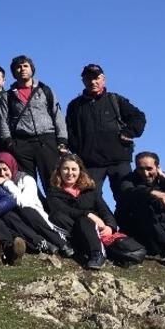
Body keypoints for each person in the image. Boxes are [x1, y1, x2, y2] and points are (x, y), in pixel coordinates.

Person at [65, 63, 147, 222]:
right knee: (88, 198)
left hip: (119, 159)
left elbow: (139, 117)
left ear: (103, 79)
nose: (93, 82)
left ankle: (128, 232)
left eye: (96, 78)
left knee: (126, 195)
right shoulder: (74, 106)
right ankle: (106, 230)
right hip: (91, 162)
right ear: (83, 81)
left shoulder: (115, 100)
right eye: (88, 78)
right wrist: (77, 150)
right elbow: (70, 132)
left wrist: (129, 132)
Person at [0, 55, 68, 193]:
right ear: (13, 72)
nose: (22, 69)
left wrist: (62, 140)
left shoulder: (45, 90)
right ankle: (36, 212)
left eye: (25, 66)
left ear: (32, 69)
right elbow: (3, 120)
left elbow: (57, 115)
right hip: (22, 143)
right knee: (28, 184)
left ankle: (57, 212)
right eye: (18, 67)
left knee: (53, 181)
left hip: (47, 140)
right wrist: (9, 142)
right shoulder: (8, 96)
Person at [45, 154, 119, 270]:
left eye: (74, 169)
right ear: (59, 171)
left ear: (80, 171)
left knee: (85, 220)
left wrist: (110, 227)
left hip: (97, 231)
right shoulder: (53, 193)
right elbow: (63, 210)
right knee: (58, 216)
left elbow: (105, 210)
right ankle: (96, 252)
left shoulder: (90, 191)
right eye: (66, 169)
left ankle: (98, 254)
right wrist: (87, 214)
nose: (70, 173)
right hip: (73, 233)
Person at [0, 152, 71, 256]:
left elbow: (24, 202)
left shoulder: (26, 179)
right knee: (7, 215)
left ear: (12, 166)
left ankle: (62, 243)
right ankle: (42, 243)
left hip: (36, 218)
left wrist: (7, 184)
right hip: (20, 223)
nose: (2, 173)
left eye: (5, 169)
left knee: (26, 211)